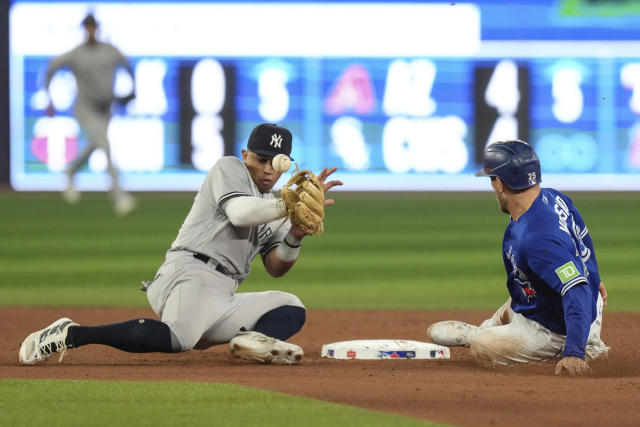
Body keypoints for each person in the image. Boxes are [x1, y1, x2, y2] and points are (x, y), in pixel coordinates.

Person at [18, 122, 343, 365]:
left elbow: (276, 267)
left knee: (290, 306)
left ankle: (248, 340)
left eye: (277, 162)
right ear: (246, 155)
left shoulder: (277, 205)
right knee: (178, 339)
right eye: (261, 159)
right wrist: (287, 205)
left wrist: (295, 236)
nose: (268, 169)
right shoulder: (230, 168)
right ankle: (70, 334)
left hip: (222, 294)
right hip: (188, 273)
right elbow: (240, 213)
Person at [427, 140, 609, 376]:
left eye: (492, 180)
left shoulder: (538, 238)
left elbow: (575, 290)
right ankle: (482, 332)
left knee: (482, 347)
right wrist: (592, 276)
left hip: (561, 327)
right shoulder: (553, 197)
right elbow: (579, 239)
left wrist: (574, 352)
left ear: (500, 184)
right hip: (560, 300)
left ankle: (586, 347)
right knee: (513, 304)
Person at [45, 13, 137, 217]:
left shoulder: (110, 51)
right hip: (85, 108)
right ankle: (119, 197)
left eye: (93, 27)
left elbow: (128, 65)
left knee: (97, 144)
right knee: (104, 145)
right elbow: (51, 67)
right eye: (87, 28)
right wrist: (48, 98)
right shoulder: (76, 54)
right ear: (83, 30)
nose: (91, 31)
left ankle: (71, 171)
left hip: (106, 107)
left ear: (98, 28)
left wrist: (132, 90)